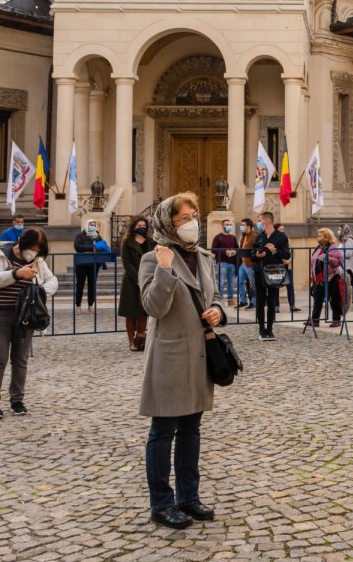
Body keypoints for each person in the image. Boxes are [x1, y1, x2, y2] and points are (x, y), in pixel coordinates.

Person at [139, 192, 226, 529]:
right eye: (184, 218)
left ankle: (188, 497)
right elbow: (153, 307)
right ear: (168, 222)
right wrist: (164, 270)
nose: (192, 223)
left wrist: (218, 310)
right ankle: (161, 503)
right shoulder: (153, 258)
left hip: (200, 354)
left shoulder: (203, 256)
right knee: (163, 431)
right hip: (169, 355)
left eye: (194, 215)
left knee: (192, 430)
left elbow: (215, 295)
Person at [0, 228, 57, 418]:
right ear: (22, 244)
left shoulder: (38, 261)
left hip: (25, 316)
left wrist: (38, 292)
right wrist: (16, 274)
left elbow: (52, 280)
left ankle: (17, 400)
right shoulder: (1, 255)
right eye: (32, 248)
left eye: (39, 250)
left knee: (20, 360)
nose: (35, 253)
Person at [252, 212, 290, 341]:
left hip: (273, 272)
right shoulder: (258, 237)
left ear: (267, 221)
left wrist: (275, 250)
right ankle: (262, 329)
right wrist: (257, 255)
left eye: (259, 220)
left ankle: (270, 329)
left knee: (272, 301)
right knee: (260, 301)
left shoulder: (281, 236)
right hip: (259, 272)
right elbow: (252, 255)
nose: (258, 223)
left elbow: (286, 255)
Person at [119, 216, 155, 352]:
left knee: (143, 311)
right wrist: (138, 278)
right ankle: (131, 340)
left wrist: (147, 277)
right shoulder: (127, 242)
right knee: (131, 311)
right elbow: (126, 262)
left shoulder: (150, 242)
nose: (142, 228)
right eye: (139, 225)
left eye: (144, 225)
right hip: (131, 280)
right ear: (134, 227)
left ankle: (140, 338)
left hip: (147, 279)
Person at [306, 228, 346, 330]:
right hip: (319, 277)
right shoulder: (319, 247)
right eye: (318, 236)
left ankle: (336, 320)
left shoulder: (332, 247)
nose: (318, 238)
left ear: (326, 237)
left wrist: (328, 258)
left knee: (334, 298)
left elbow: (339, 261)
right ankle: (315, 320)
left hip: (331, 277)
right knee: (317, 297)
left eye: (320, 236)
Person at [72, 219, 103, 315]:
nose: (92, 226)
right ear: (86, 225)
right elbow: (77, 247)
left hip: (93, 264)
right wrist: (91, 248)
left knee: (92, 285)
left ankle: (91, 305)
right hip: (81, 264)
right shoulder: (80, 236)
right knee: (80, 285)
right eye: (91, 225)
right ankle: (78, 306)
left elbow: (101, 246)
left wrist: (96, 248)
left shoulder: (97, 236)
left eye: (94, 225)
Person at [211, 219, 239, 307]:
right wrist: (225, 252)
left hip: (232, 263)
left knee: (232, 283)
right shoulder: (218, 237)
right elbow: (213, 249)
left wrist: (235, 251)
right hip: (222, 263)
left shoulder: (233, 237)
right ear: (223, 226)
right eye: (227, 224)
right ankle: (219, 299)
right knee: (221, 282)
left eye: (230, 224)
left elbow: (237, 248)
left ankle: (230, 300)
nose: (229, 226)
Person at [237, 218, 257, 309]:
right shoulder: (243, 235)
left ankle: (253, 302)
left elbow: (255, 249)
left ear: (248, 226)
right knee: (238, 282)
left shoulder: (254, 235)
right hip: (243, 263)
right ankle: (243, 301)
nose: (241, 227)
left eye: (243, 225)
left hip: (250, 264)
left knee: (253, 283)